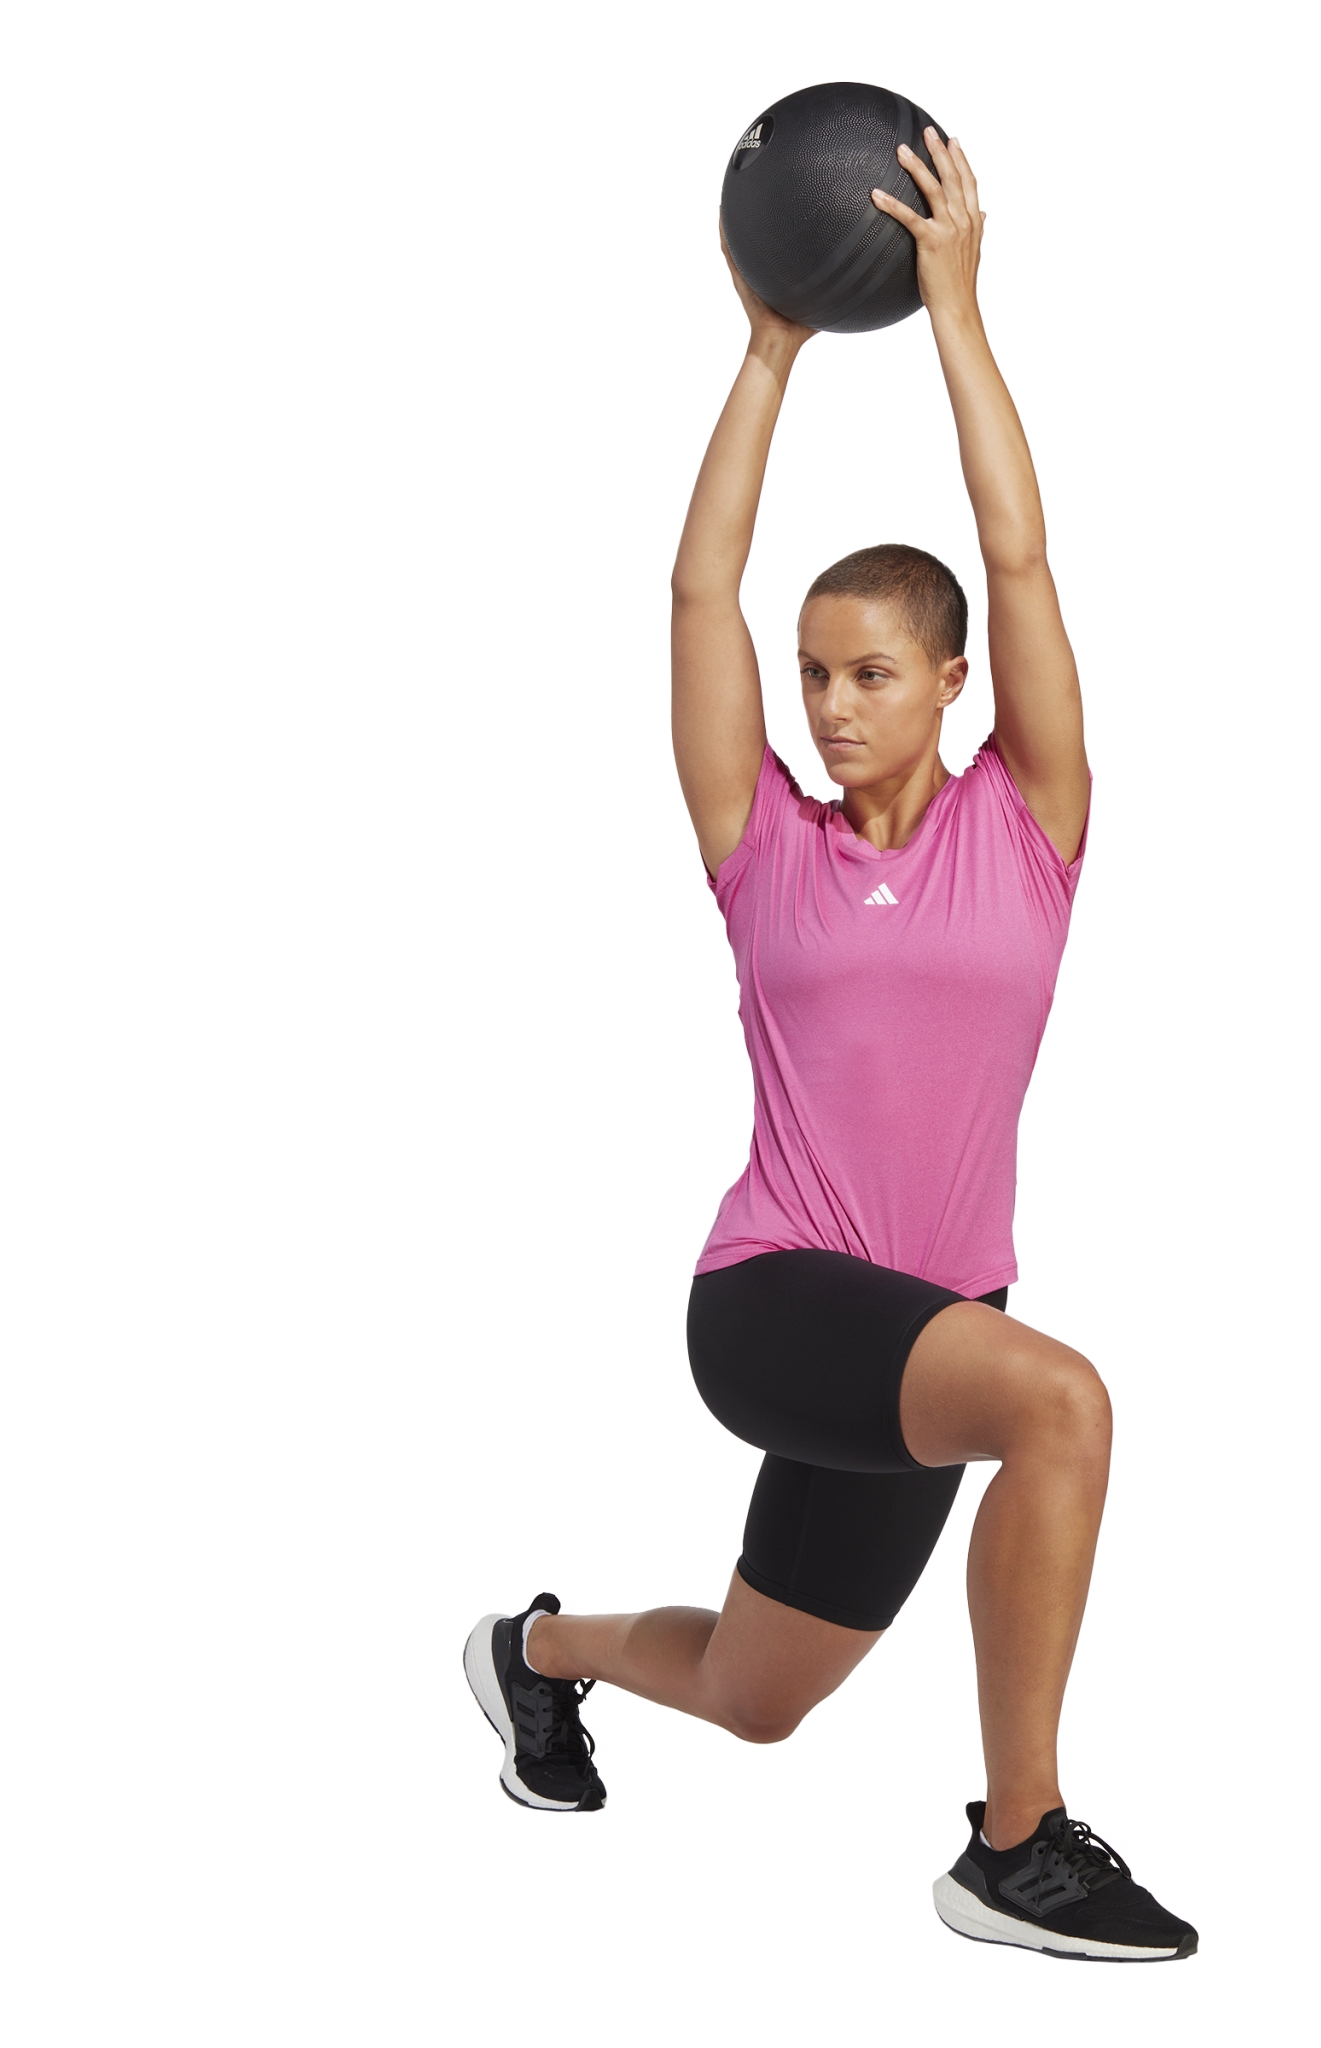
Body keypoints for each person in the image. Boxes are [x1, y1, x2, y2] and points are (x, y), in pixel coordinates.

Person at [464, 130, 1196, 1963]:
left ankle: (531, 1653)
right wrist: (768, 349)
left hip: (928, 1324)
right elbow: (693, 600)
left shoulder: (1030, 827)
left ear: (952, 683)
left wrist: (955, 312)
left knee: (756, 1691)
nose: (833, 706)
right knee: (1063, 1405)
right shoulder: (761, 846)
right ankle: (1015, 1847)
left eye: (872, 674)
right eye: (815, 675)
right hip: (780, 1298)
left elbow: (1018, 553)